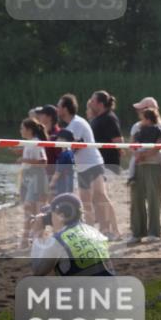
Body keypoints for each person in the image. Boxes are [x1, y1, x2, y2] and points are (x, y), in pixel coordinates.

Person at [56, 94, 109, 231]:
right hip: (81, 167)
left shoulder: (76, 124)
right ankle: (91, 231)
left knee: (99, 198)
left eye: (59, 106)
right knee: (86, 203)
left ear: (66, 109)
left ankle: (106, 230)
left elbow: (73, 148)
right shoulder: (71, 125)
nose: (57, 109)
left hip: (93, 164)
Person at [30, 193, 113, 277]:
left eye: (51, 214)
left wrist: (37, 233)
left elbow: (38, 270)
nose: (49, 219)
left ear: (61, 216)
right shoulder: (94, 232)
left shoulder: (59, 240)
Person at [128, 108, 161, 244]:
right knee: (136, 199)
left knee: (154, 199)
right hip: (139, 165)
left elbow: (160, 145)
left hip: (153, 165)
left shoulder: (159, 127)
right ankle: (137, 232)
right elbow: (132, 143)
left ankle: (154, 232)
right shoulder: (137, 127)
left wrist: (145, 155)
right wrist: (137, 155)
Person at [86, 90, 122, 239]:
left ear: (100, 104)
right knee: (97, 197)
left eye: (93, 101)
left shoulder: (109, 118)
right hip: (98, 164)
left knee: (101, 197)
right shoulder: (99, 118)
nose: (90, 103)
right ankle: (104, 229)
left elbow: (118, 142)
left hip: (107, 164)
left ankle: (113, 230)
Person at [18, 118, 49, 250]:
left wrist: (24, 159)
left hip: (37, 177)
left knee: (32, 208)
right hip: (29, 177)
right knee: (33, 210)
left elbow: (43, 162)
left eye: (22, 128)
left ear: (29, 130)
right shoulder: (29, 142)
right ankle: (34, 239)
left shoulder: (36, 142)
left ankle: (27, 240)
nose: (20, 130)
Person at [52, 130, 77, 195]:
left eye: (58, 138)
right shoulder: (71, 152)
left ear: (63, 139)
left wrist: (52, 183)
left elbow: (58, 172)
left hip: (63, 184)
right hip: (70, 183)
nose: (56, 140)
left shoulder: (64, 154)